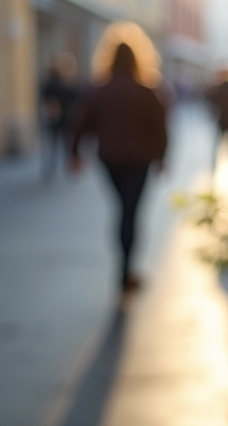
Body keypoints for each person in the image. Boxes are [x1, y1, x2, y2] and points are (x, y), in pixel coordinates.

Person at [70, 22, 168, 295]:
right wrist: (162, 158)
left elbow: (81, 122)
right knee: (130, 212)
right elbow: (159, 126)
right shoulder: (147, 90)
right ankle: (126, 273)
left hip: (110, 159)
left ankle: (124, 271)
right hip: (140, 159)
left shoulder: (98, 89)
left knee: (121, 211)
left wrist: (74, 154)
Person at [39, 52, 79, 179]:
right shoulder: (58, 82)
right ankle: (65, 165)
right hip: (60, 117)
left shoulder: (53, 81)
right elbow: (73, 95)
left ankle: (55, 166)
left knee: (55, 142)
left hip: (57, 117)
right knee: (62, 142)